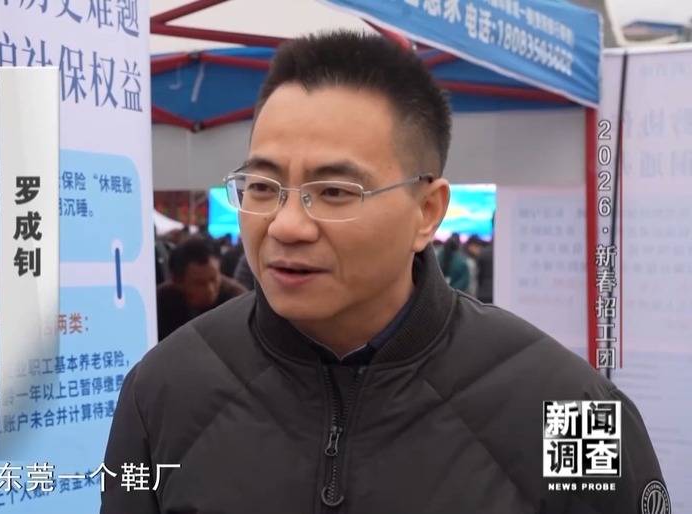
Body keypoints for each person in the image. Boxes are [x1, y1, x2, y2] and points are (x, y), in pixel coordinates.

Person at [102, 32, 664, 513]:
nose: (287, 225)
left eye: (334, 191)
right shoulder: (163, 390)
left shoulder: (572, 410)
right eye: (263, 186)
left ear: (427, 212)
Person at [156, 236, 246, 340]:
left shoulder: (237, 302)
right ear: (178, 281)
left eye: (213, 279)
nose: (210, 290)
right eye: (199, 283)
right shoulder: (160, 302)